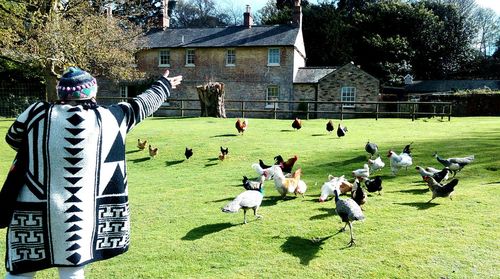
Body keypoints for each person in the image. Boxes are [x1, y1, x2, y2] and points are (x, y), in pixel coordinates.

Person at [2, 67, 182, 278]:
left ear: (61, 93)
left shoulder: (36, 113)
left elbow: (14, 139)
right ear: (92, 93)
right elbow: (142, 104)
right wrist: (164, 85)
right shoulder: (111, 118)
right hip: (80, 212)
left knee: (22, 270)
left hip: (31, 208)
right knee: (73, 268)